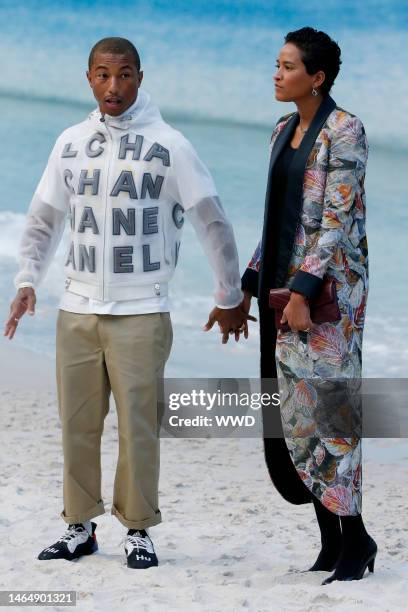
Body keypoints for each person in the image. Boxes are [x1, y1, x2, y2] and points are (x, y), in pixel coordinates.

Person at [4, 37, 253, 569]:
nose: (113, 86)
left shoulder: (171, 145)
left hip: (142, 311)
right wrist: (28, 279)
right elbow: (45, 218)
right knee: (78, 423)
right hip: (76, 309)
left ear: (141, 77)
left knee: (138, 425)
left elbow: (212, 221)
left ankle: (138, 529)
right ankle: (79, 526)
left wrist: (229, 294)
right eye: (102, 75)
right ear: (88, 78)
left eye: (123, 75)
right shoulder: (70, 142)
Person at [240, 27, 377, 584]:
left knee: (333, 416)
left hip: (328, 302)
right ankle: (332, 542)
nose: (277, 73)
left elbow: (335, 222)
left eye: (288, 66)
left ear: (316, 78)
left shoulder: (346, 131)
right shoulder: (281, 130)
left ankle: (358, 540)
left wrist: (302, 290)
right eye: (276, 63)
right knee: (298, 422)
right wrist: (246, 286)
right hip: (283, 294)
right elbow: (279, 217)